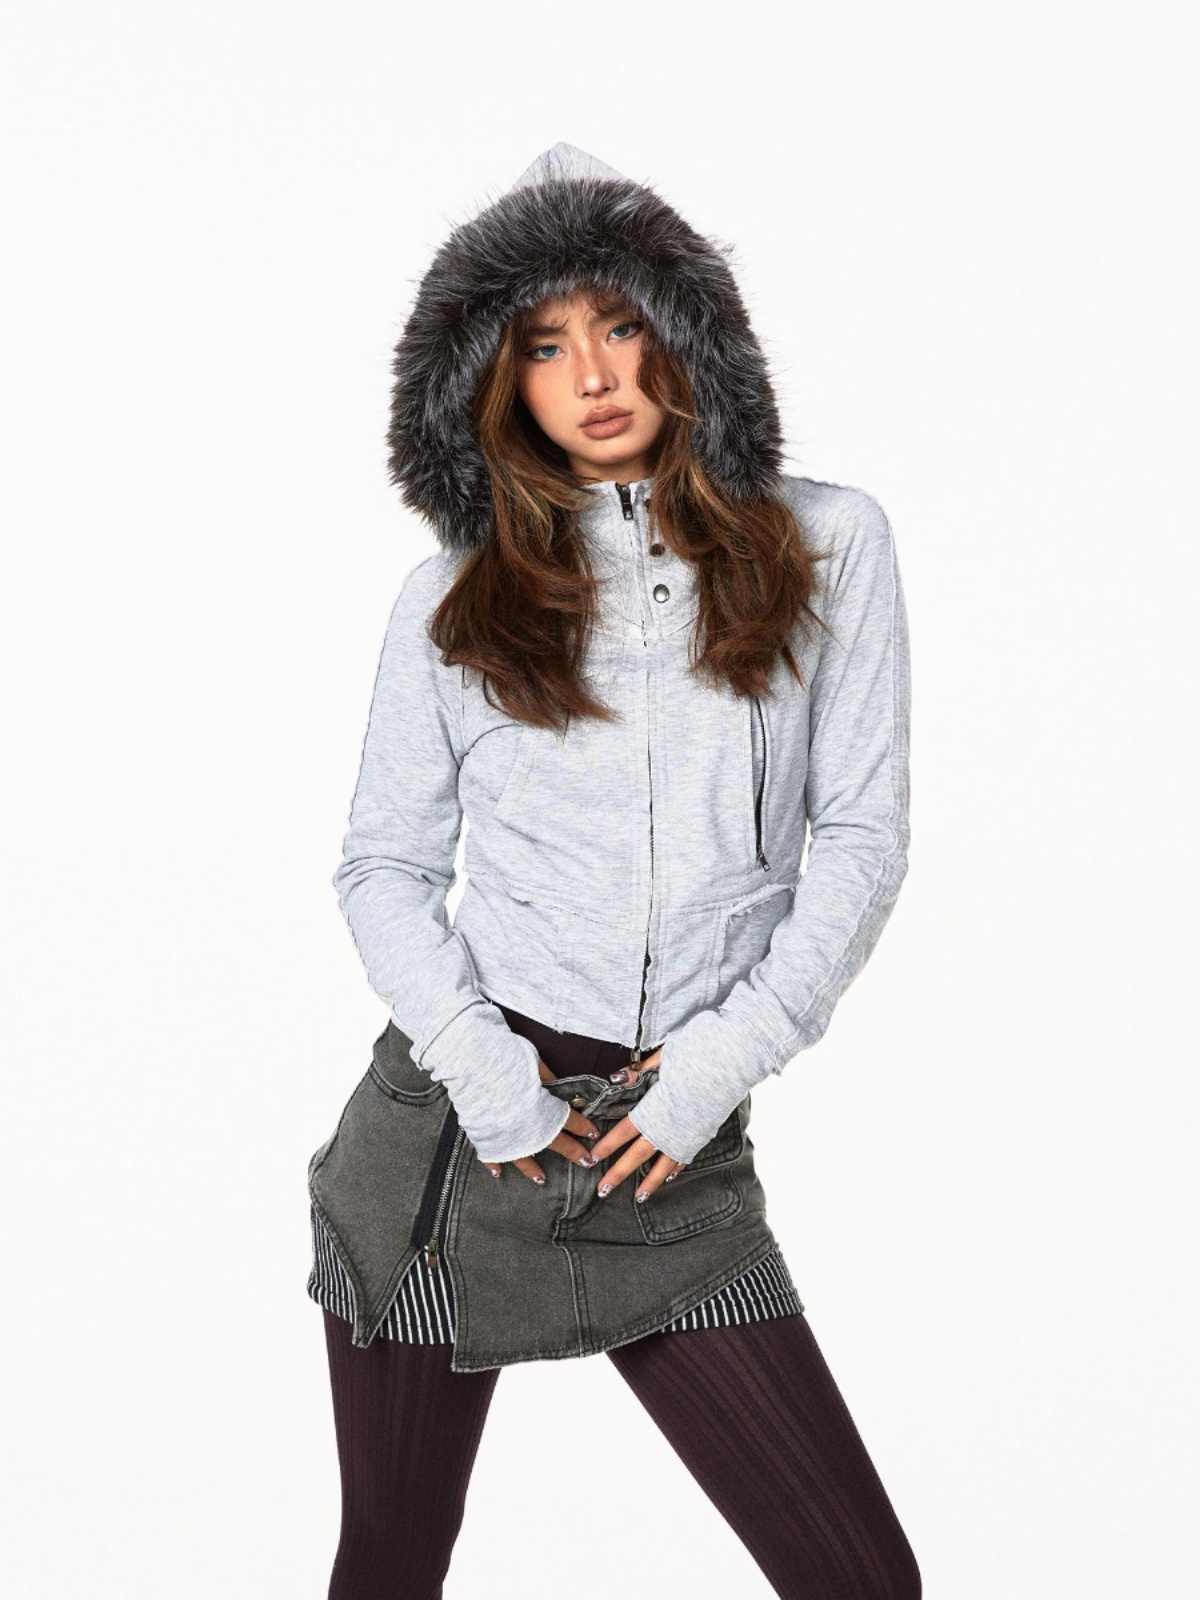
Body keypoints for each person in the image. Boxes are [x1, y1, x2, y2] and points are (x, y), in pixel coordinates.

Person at [307, 141, 920, 1599]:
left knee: (858, 1578)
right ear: (492, 381)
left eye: (622, 323)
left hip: (672, 1142)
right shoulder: (451, 602)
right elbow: (383, 866)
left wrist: (716, 1068)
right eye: (544, 344)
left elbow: (861, 838)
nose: (592, 375)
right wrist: (487, 1074)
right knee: (393, 1558)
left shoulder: (830, 546)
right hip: (457, 1146)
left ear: (688, 334)